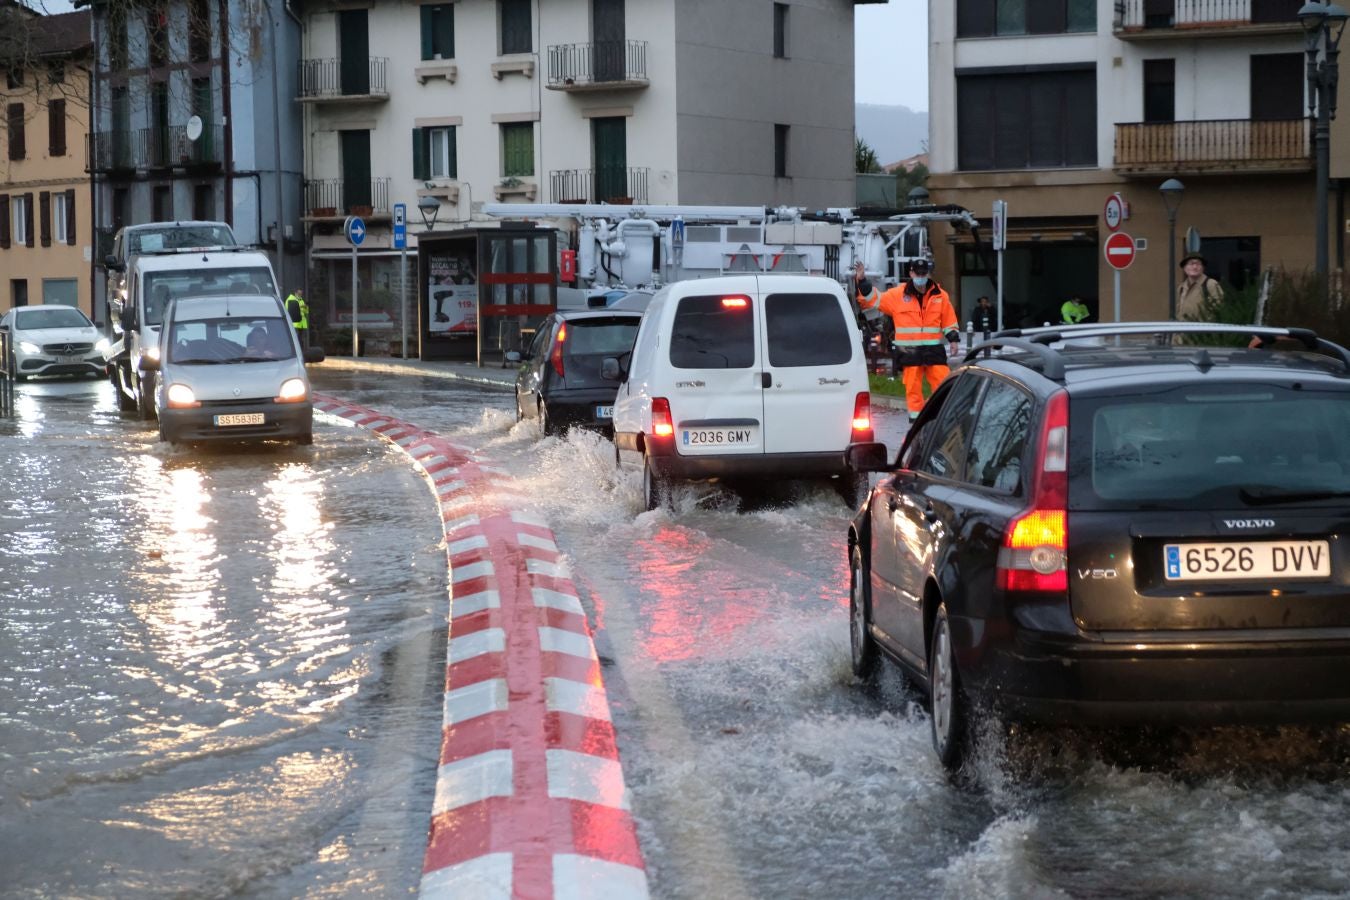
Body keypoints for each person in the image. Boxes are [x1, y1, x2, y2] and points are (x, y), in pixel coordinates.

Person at [854, 258, 960, 422]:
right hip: (909, 351)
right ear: (911, 273)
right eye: (917, 273)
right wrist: (861, 280)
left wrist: (953, 339)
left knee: (943, 384)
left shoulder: (940, 295)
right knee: (913, 389)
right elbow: (873, 299)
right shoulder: (898, 295)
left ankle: (942, 418)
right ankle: (916, 421)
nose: (921, 276)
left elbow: (949, 320)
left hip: (933, 350)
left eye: (923, 273)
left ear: (928, 274)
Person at [1175, 254, 1224, 321]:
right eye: (1191, 264)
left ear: (1203, 268)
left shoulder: (1211, 284)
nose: (1195, 267)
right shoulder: (1181, 288)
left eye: (1198, 264)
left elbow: (1218, 309)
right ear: (1184, 268)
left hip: (1202, 329)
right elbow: (1178, 311)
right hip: (1182, 329)